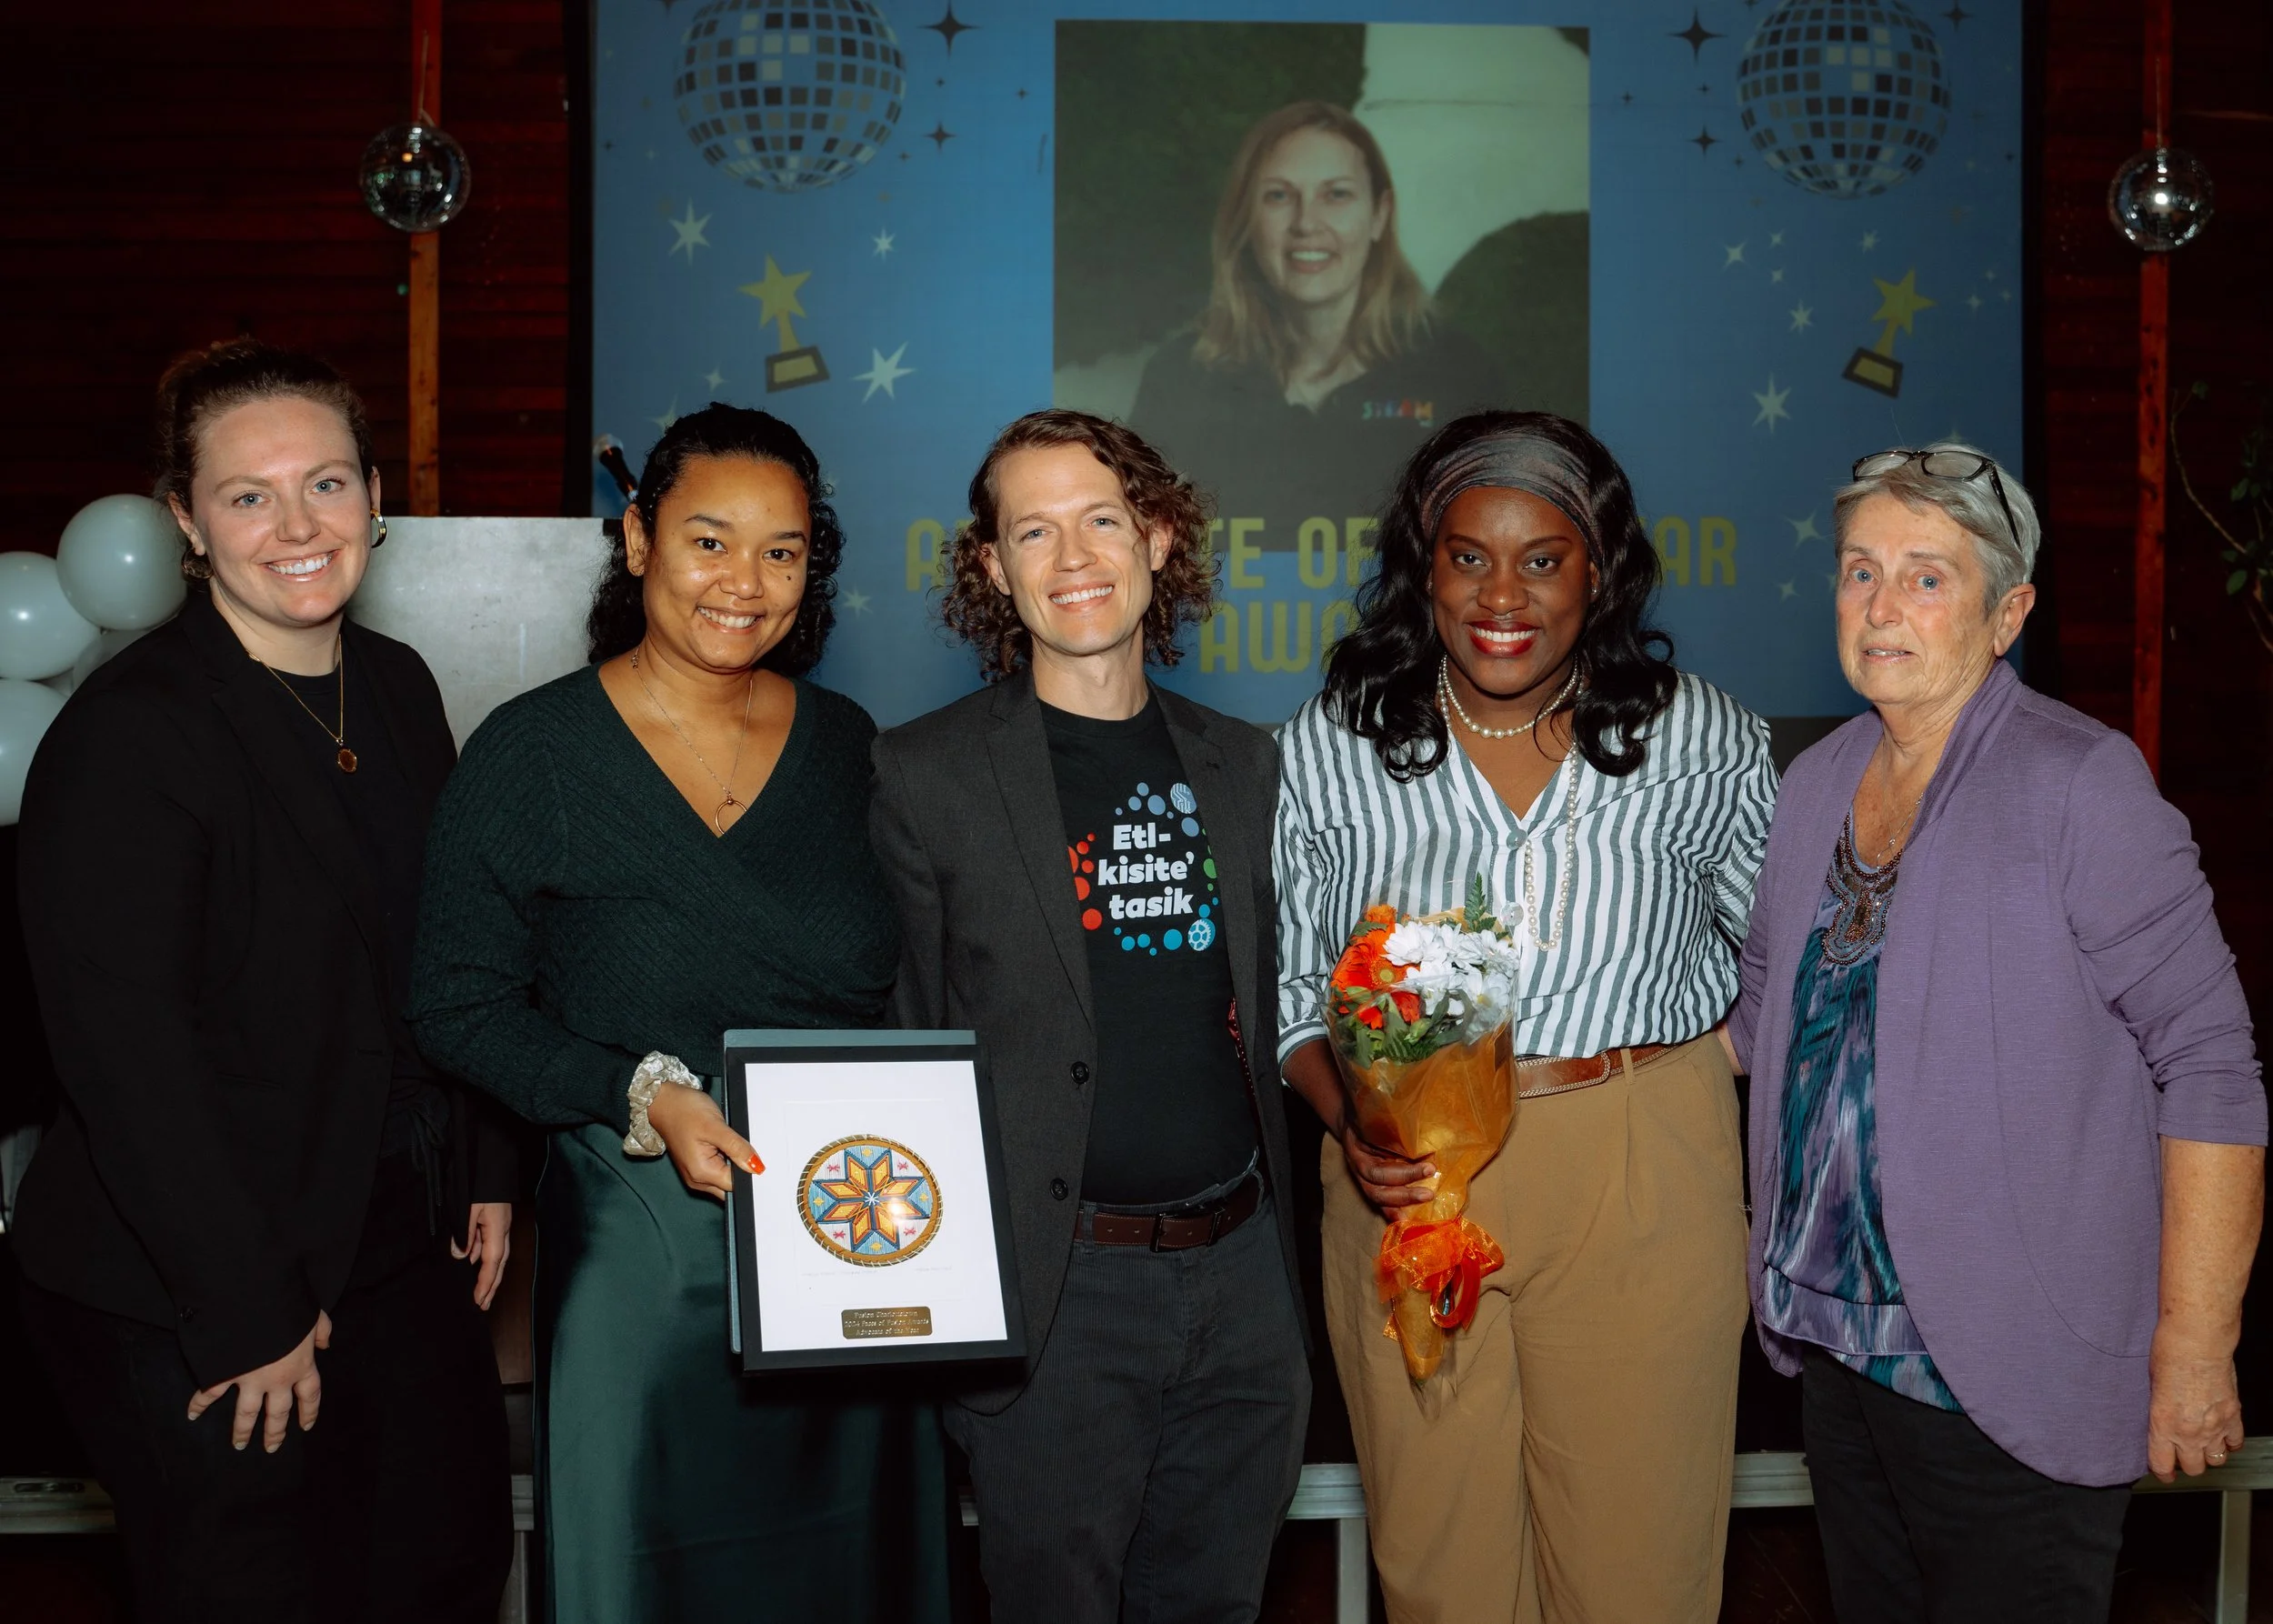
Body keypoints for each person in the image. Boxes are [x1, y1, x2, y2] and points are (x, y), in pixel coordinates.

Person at [408, 405, 949, 1623]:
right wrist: (633, 1087)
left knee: (848, 1576)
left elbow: (918, 984)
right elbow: (454, 1004)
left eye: (782, 550)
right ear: (639, 538)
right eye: (709, 540)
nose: (744, 583)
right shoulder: (531, 753)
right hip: (642, 1253)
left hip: (855, 1237)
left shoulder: (853, 749)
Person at [14, 338, 516, 1623]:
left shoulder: (395, 687)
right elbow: (124, 1051)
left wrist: (489, 1161)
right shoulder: (133, 733)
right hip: (192, 1265)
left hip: (393, 1231)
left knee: (444, 1563)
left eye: (328, 484)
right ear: (186, 520)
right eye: (249, 495)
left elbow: (453, 946)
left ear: (375, 497)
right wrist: (244, 1310)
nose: (298, 525)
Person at [1731, 444, 2266, 1621]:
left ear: (2008, 607)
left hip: (2006, 1364)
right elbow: (1755, 1023)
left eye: (1927, 576)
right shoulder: (1812, 783)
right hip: (1838, 1355)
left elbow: (2213, 1069)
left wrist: (2195, 1344)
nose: (1881, 605)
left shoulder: (2082, 783)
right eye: (1860, 570)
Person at [1276, 411, 1776, 1622]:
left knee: (1638, 1570)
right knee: (1439, 1564)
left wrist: (1688, 1085)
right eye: (1467, 555)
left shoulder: (1699, 736)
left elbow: (1789, 958)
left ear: (1598, 573)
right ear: (1423, 565)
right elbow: (1297, 996)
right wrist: (1359, 1128)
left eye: (1543, 558)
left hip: (1639, 1168)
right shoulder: (1337, 743)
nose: (1503, 593)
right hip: (1411, 1185)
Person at [871, 409, 1309, 1620]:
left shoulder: (1249, 764)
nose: (1073, 555)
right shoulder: (925, 776)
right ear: (993, 568)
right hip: (1055, 1301)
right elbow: (909, 1045)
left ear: (1159, 539)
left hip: (1243, 1285)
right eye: (1034, 529)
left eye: (1102, 519)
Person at [1129, 100, 1507, 551]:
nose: (1306, 223)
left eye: (1336, 195)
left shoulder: (1457, 374)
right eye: (1279, 196)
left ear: (1379, 215)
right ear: (1247, 220)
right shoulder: (1180, 377)